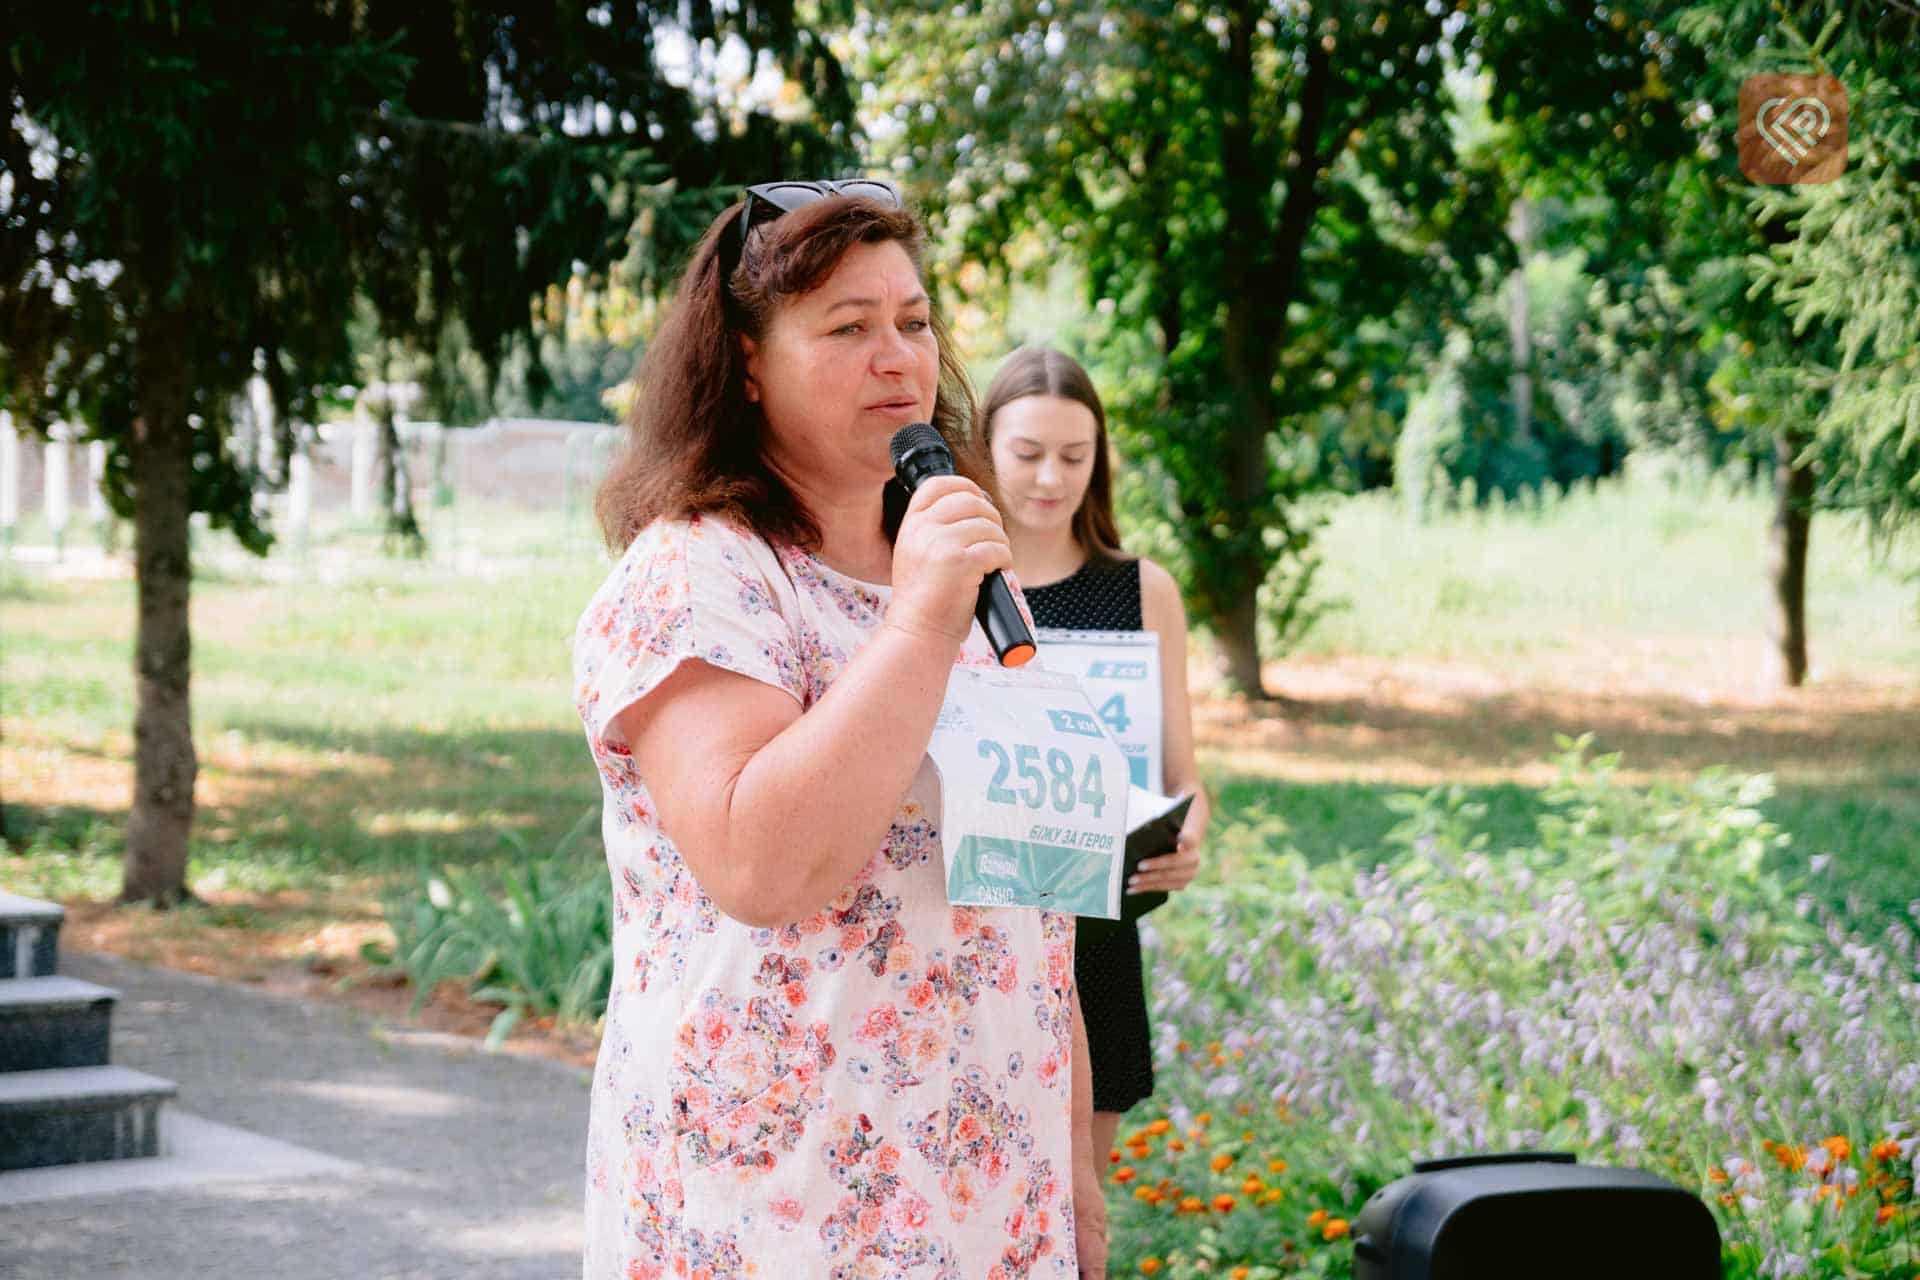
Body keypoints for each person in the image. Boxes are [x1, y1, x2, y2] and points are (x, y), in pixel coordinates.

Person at [573, 183, 1107, 1279]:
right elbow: (760, 863)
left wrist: (1073, 1173)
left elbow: (1038, 913)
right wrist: (917, 622)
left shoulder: (959, 567)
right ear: (748, 359)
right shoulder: (699, 574)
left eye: (914, 321)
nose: (899, 356)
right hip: (780, 1200)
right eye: (848, 326)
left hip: (985, 1189)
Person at [981, 345, 1210, 1163]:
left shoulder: (1144, 590)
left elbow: (1181, 776)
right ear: (983, 448)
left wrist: (1187, 838)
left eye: (1074, 457)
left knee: (1077, 1212)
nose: (1051, 479)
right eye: (1028, 454)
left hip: (1098, 937)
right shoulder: (947, 581)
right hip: (969, 934)